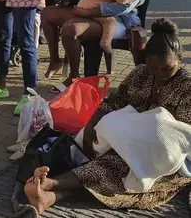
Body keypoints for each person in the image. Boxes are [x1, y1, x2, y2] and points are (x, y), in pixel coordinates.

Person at [24, 18, 191, 214]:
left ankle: (50, 184)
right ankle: (49, 196)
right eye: (154, 68)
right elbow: (115, 101)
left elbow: (180, 136)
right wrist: (90, 125)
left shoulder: (187, 88)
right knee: (107, 160)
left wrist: (145, 137)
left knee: (126, 176)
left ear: (180, 61)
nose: (160, 74)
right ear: (146, 61)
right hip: (129, 142)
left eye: (167, 68)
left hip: (170, 160)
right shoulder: (141, 74)